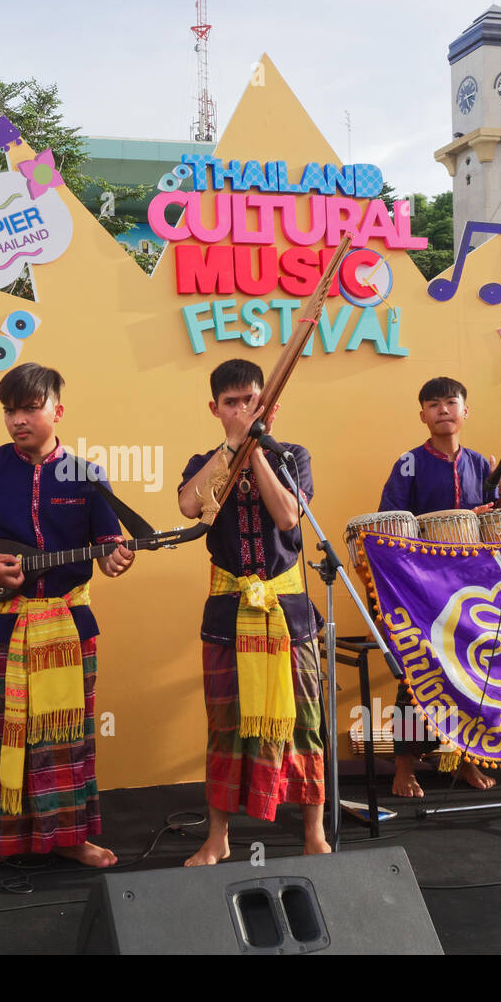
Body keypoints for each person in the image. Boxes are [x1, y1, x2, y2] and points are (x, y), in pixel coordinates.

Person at [0, 363, 134, 877]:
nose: (18, 419)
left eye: (29, 408)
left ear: (57, 411)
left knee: (67, 738)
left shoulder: (88, 476)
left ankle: (69, 838)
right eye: (9, 410)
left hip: (67, 627)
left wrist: (116, 558)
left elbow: (111, 544)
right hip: (2, 625)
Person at [177, 358, 328, 866]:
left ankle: (313, 831)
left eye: (250, 402)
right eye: (231, 403)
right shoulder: (205, 458)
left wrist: (257, 449)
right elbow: (188, 505)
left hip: (289, 607)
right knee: (225, 724)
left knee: (304, 720)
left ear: (269, 405)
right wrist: (230, 449)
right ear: (213, 409)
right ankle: (218, 838)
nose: (240, 410)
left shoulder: (293, 456)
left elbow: (288, 515)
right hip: (227, 609)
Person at [377, 376, 501, 797]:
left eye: (451, 403)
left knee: (472, 673)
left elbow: (497, 525)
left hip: (473, 588)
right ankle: (404, 767)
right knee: (415, 678)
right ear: (422, 415)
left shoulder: (480, 464)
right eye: (433, 405)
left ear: (464, 410)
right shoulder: (409, 463)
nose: (443, 410)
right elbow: (389, 523)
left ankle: (468, 760)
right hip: (422, 589)